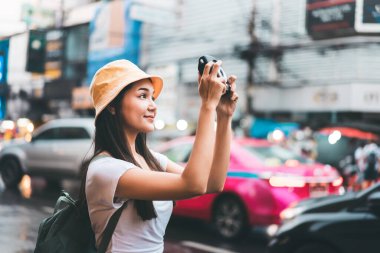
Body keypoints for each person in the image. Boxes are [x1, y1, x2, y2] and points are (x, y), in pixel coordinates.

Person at [78, 59, 239, 252]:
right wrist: (206, 106)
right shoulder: (106, 169)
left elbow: (213, 183)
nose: (153, 105)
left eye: (153, 97)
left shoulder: (151, 159)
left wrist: (224, 116)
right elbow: (193, 184)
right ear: (112, 106)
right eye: (142, 96)